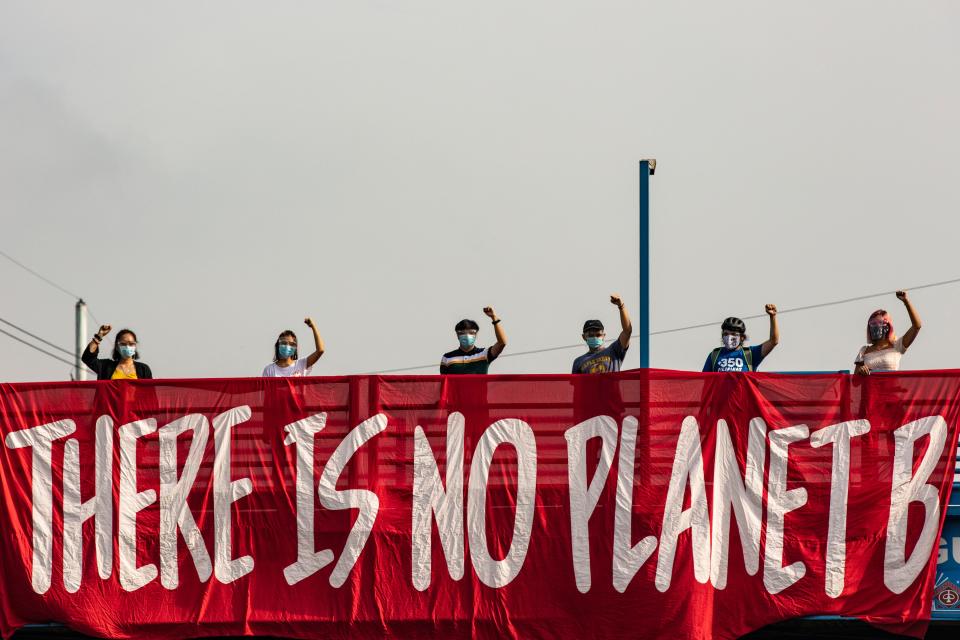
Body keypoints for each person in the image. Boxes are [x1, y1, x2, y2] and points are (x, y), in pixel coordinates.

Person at [854, 290, 921, 375]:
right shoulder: (864, 351)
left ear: (887, 327)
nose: (875, 327)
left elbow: (917, 326)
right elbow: (854, 382)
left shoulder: (897, 346)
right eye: (872, 324)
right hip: (871, 388)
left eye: (879, 323)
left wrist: (906, 301)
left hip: (891, 388)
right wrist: (861, 372)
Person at [703, 304, 779, 372]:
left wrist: (773, 317)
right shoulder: (714, 355)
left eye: (733, 334)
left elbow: (773, 341)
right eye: (726, 334)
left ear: (742, 337)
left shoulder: (751, 353)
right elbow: (704, 380)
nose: (729, 337)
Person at [572, 295, 632, 374]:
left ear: (604, 336)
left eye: (598, 335)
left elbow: (627, 331)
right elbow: (576, 385)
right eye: (590, 335)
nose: (594, 337)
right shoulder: (578, 362)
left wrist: (621, 306)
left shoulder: (614, 350)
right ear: (584, 337)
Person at [440, 307, 507, 374]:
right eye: (462, 333)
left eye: (471, 333)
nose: (467, 336)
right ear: (457, 335)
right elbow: (443, 382)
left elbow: (502, 343)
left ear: (476, 335)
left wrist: (494, 318)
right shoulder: (447, 357)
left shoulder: (484, 354)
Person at [82, 325, 154, 380]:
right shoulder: (106, 367)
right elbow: (88, 358)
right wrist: (99, 336)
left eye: (131, 344)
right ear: (117, 347)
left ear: (135, 346)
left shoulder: (143, 369)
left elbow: (150, 394)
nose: (127, 346)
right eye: (123, 344)